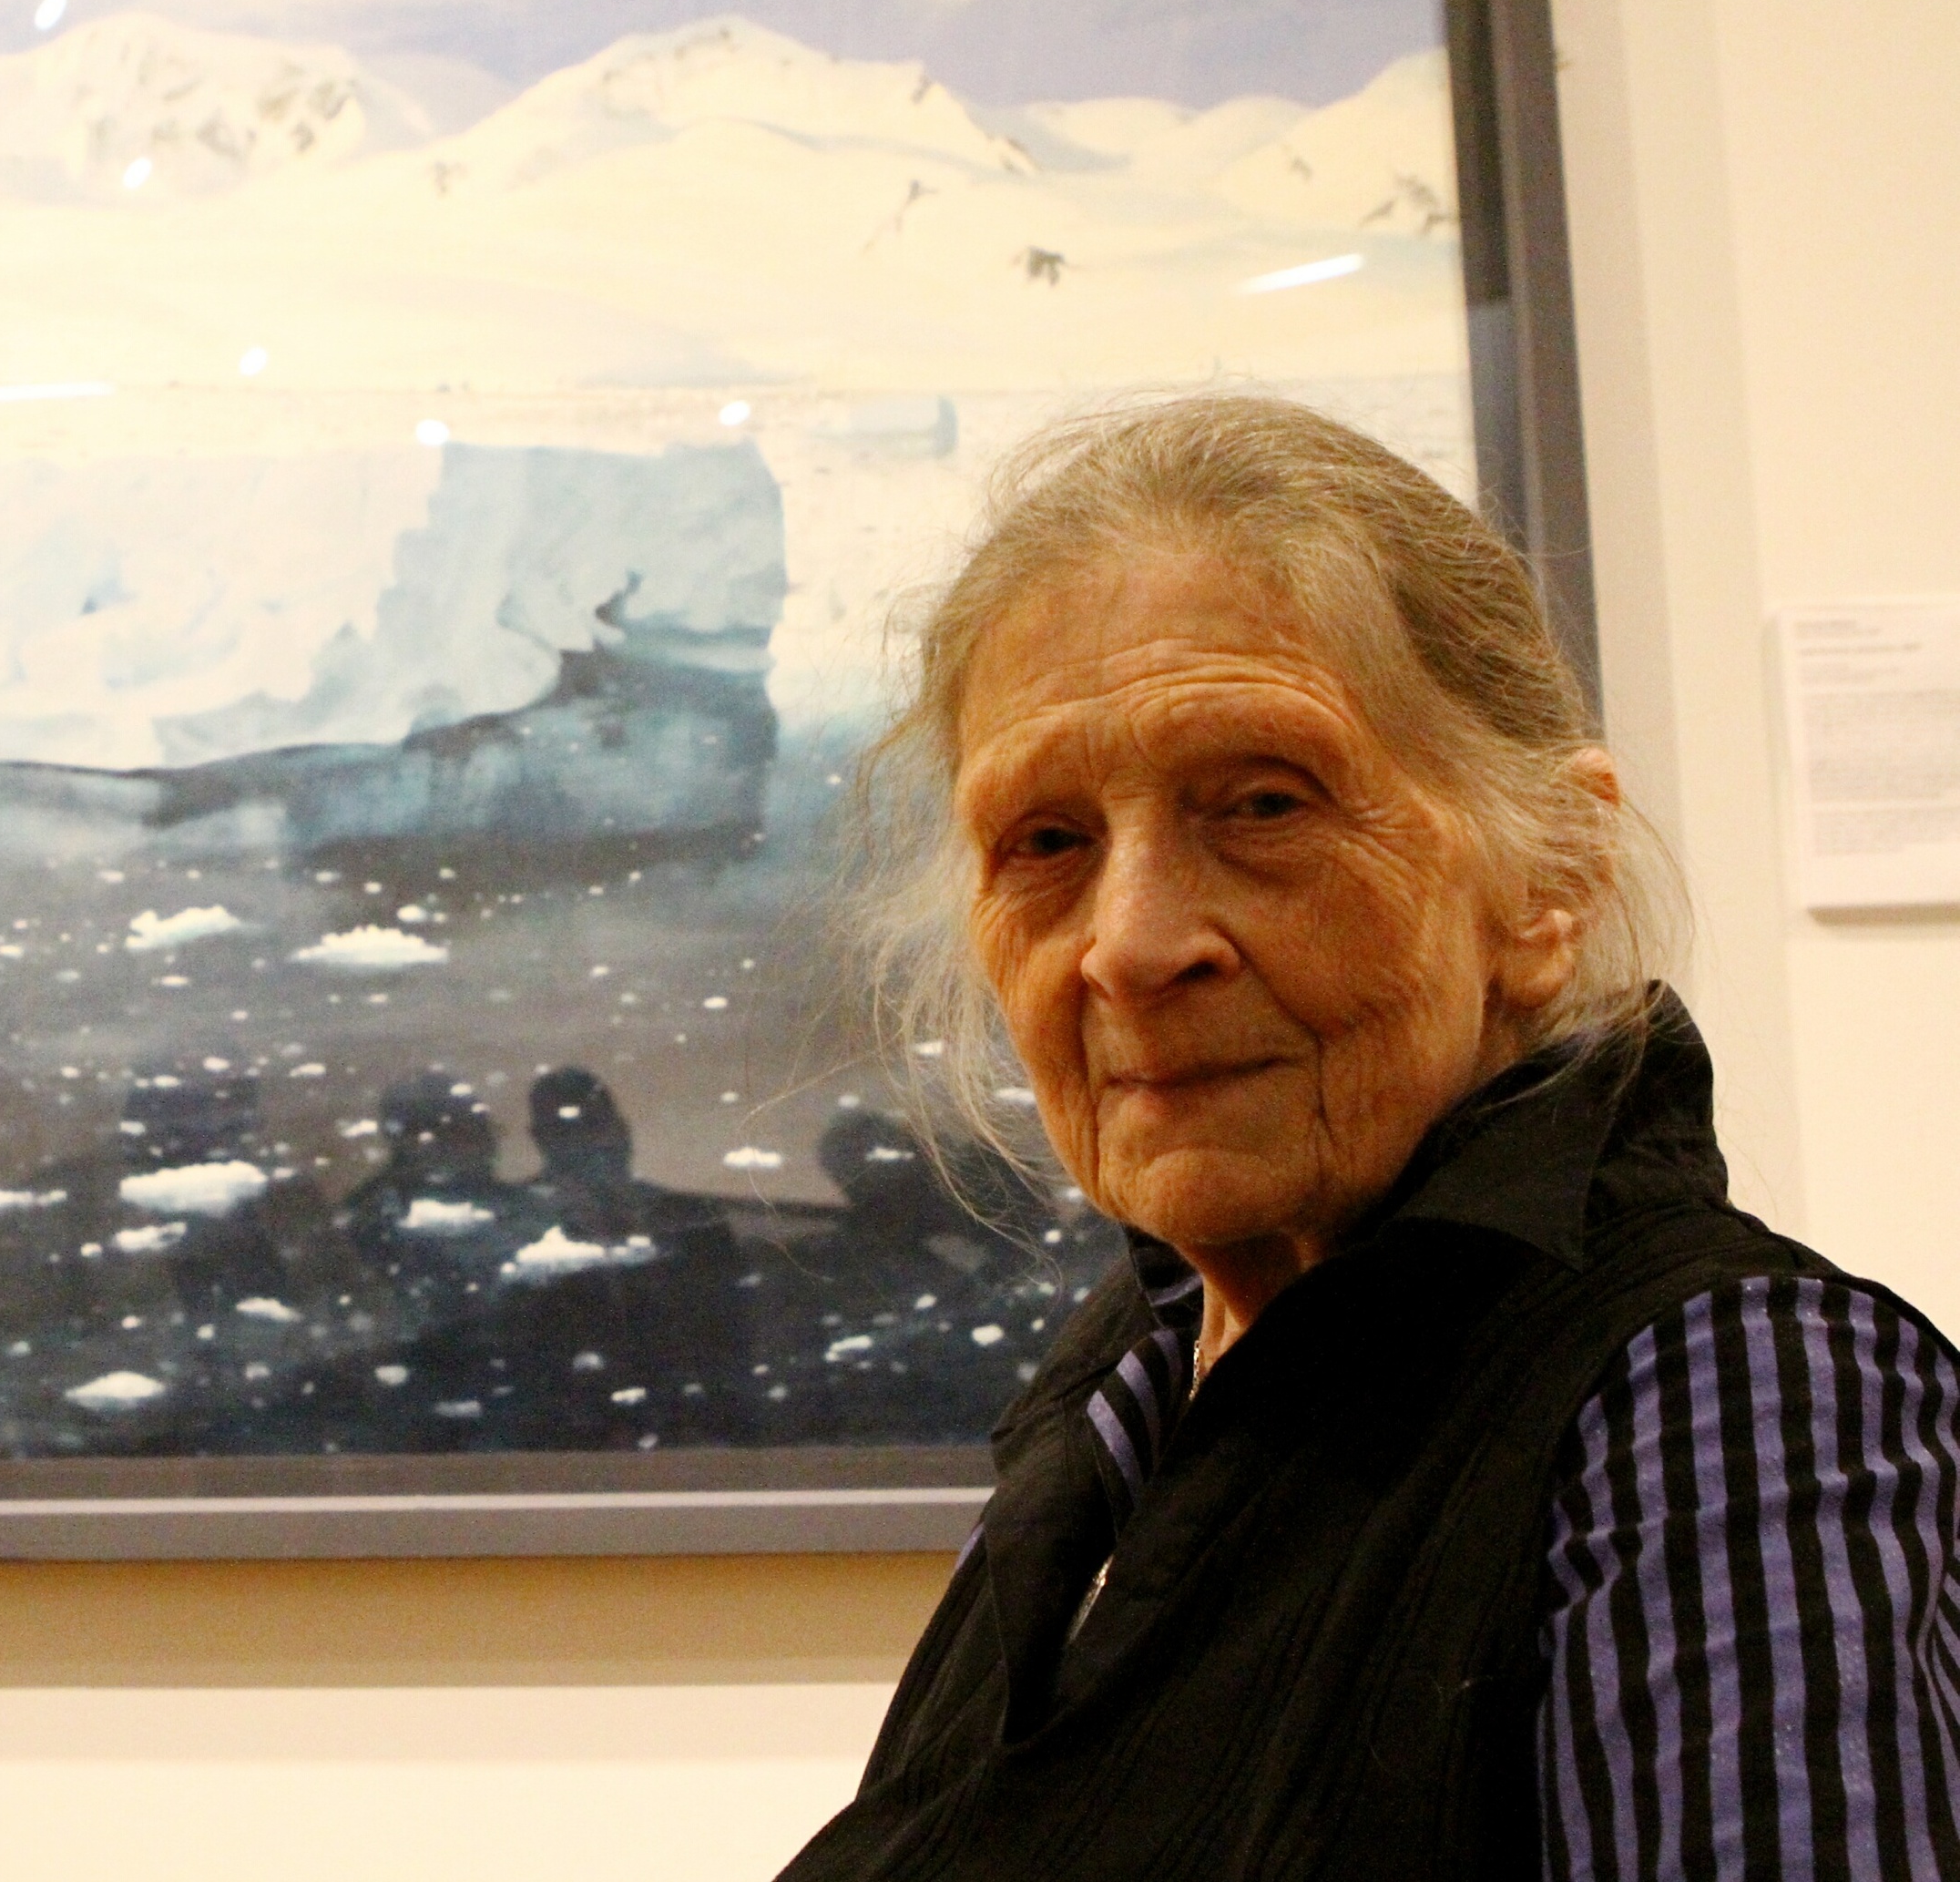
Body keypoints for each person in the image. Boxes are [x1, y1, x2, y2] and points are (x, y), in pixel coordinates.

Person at [781, 396, 1960, 1879]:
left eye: (1264, 802)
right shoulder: (1135, 1382)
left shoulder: (1726, 1393)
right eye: (1050, 844)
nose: (1131, 945)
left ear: (1548, 882)